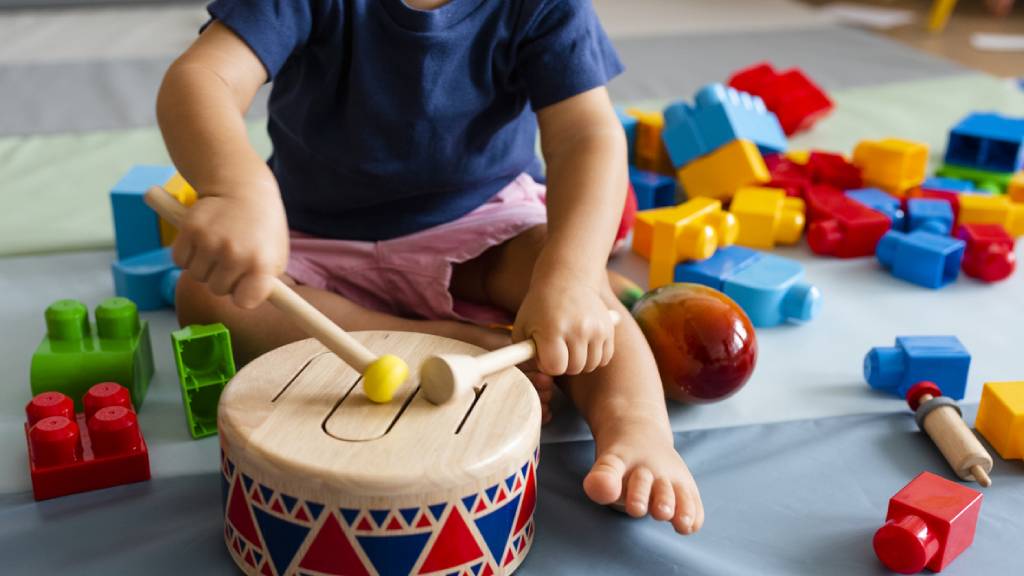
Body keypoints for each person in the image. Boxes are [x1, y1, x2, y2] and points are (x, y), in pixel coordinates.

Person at [158, 0, 703, 534]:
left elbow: (585, 135)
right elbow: (203, 77)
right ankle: (448, 342)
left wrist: (573, 274)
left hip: (481, 223)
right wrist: (237, 189)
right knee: (210, 296)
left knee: (581, 295)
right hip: (313, 234)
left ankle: (636, 429)